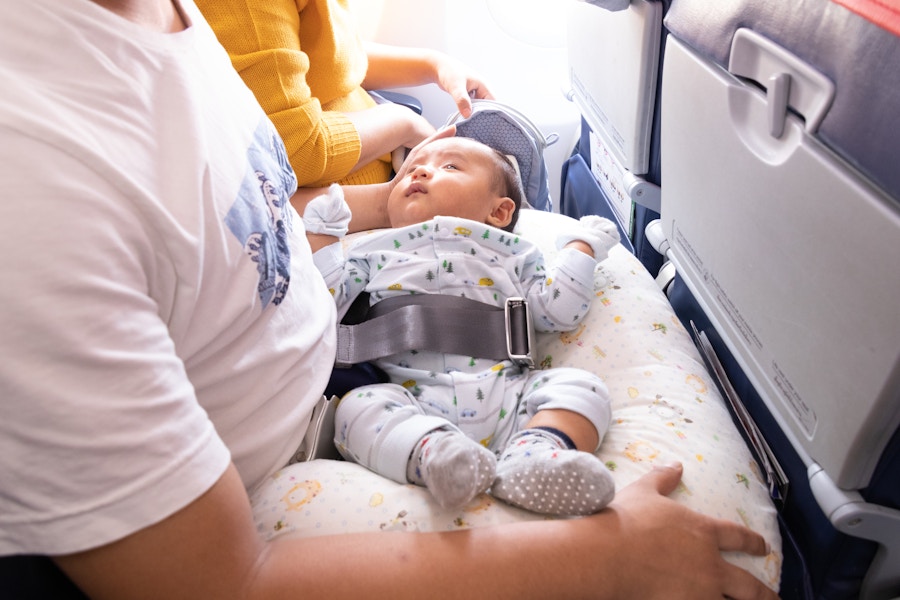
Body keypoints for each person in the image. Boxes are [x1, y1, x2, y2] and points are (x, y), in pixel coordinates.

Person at [0, 1, 779, 598]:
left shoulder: (166, 17)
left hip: (383, 380)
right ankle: (449, 459)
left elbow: (233, 218)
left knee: (571, 388)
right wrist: (610, 560)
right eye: (425, 156)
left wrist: (424, 218)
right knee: (382, 415)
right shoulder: (35, 175)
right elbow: (216, 581)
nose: (425, 163)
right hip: (316, 446)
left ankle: (541, 445)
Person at [304, 136, 619, 515]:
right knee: (355, 410)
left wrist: (581, 248)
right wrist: (322, 239)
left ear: (499, 213)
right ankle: (434, 456)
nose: (419, 170)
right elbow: (327, 303)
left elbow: (558, 310)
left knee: (583, 388)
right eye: (411, 167)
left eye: (450, 166)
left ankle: (537, 454)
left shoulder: (514, 253)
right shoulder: (371, 251)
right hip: (411, 401)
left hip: (507, 394)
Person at [195, 0, 495, 188]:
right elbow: (296, 151)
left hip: (381, 161)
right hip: (336, 207)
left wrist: (434, 65)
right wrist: (404, 124)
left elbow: (323, 56)